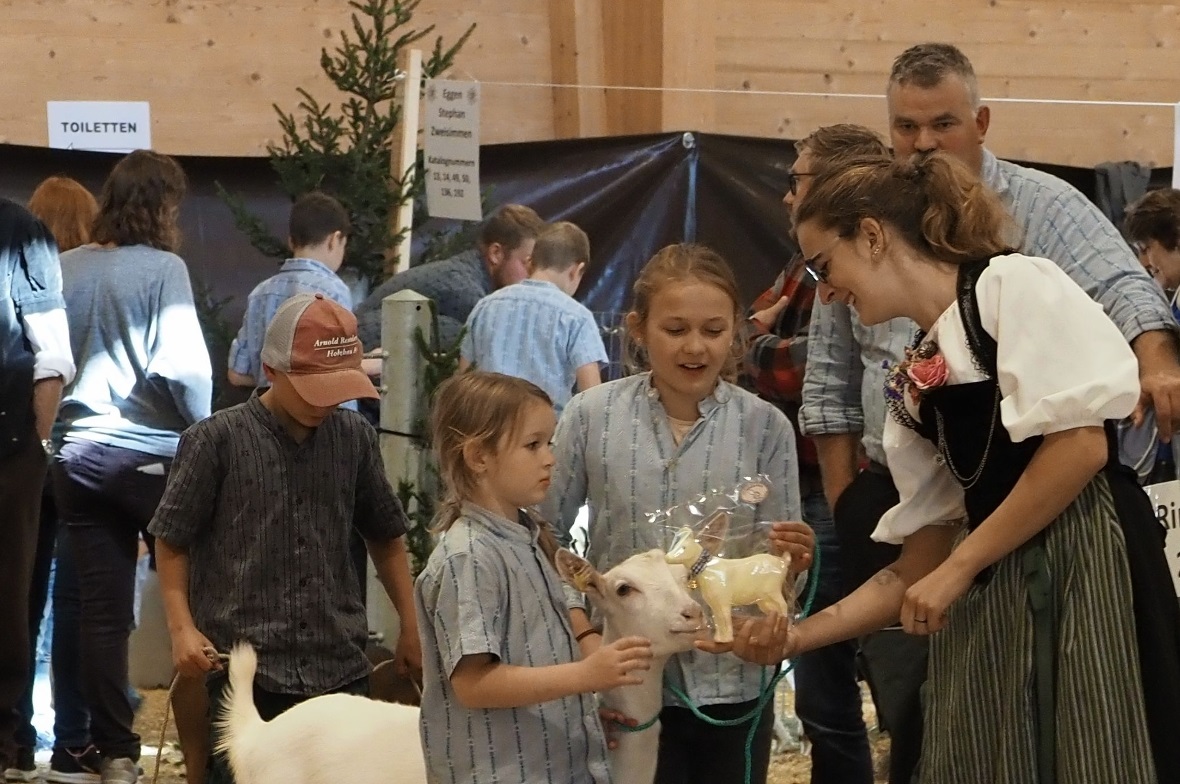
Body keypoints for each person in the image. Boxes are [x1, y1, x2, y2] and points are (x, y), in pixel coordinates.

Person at [719, 150, 1180, 784]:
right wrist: (796, 637)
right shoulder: (917, 374)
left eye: (824, 266)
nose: (825, 293)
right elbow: (916, 566)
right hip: (998, 582)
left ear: (873, 236)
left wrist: (961, 567)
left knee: (1089, 751)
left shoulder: (1012, 285)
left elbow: (1079, 447)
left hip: (1085, 564)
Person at [541, 243, 815, 784]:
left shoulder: (766, 427)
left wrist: (794, 566)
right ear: (638, 329)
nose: (695, 346)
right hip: (623, 682)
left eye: (713, 330)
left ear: (737, 331)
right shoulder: (591, 416)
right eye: (675, 329)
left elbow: (779, 567)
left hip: (731, 684)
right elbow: (545, 536)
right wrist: (586, 637)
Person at [148, 292, 422, 784]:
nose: (325, 403)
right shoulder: (214, 440)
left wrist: (411, 623)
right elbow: (172, 539)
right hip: (243, 670)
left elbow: (386, 535)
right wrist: (181, 628)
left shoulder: (355, 438)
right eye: (313, 388)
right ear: (271, 370)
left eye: (337, 388)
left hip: (337, 668)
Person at [54, 150, 212, 784]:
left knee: (101, 610)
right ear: (165, 206)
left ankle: (115, 752)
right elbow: (186, 368)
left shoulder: (66, 267)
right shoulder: (164, 269)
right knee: (202, 595)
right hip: (150, 457)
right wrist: (206, 436)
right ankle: (207, 749)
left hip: (75, 456)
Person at [739, 124, 888, 784]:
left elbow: (790, 367)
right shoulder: (805, 264)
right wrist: (755, 338)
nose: (785, 195)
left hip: (852, 487)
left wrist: (757, 342)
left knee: (840, 686)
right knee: (823, 685)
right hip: (815, 487)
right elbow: (753, 334)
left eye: (796, 180)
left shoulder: (857, 268)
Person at [415, 371, 653, 784]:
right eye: (532, 445)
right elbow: (474, 683)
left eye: (549, 443)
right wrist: (585, 675)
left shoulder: (529, 534)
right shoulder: (469, 557)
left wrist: (579, 712)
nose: (549, 459)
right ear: (478, 456)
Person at [5, 178, 100, 784]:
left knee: (19, 598)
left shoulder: (25, 245)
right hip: (61, 455)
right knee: (53, 600)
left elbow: (45, 360)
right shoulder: (44, 253)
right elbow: (56, 361)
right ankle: (59, 740)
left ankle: (16, 738)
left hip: (22, 452)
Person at [0, 199, 74, 780]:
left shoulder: (21, 230)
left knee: (8, 600)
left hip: (8, 448)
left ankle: (6, 744)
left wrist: (36, 448)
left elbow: (51, 358)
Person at [459, 221, 607, 415]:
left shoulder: (486, 306)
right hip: (544, 428)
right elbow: (592, 395)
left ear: (530, 263)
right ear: (576, 271)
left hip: (487, 424)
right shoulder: (577, 317)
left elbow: (463, 376)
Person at [354, 203, 544, 350]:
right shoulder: (465, 290)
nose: (533, 274)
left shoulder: (467, 276)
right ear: (496, 253)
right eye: (527, 263)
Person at [227, 191, 354, 389]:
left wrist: (273, 382)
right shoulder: (334, 291)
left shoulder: (260, 293)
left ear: (291, 241)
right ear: (334, 240)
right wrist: (376, 363)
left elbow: (236, 375)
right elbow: (339, 371)